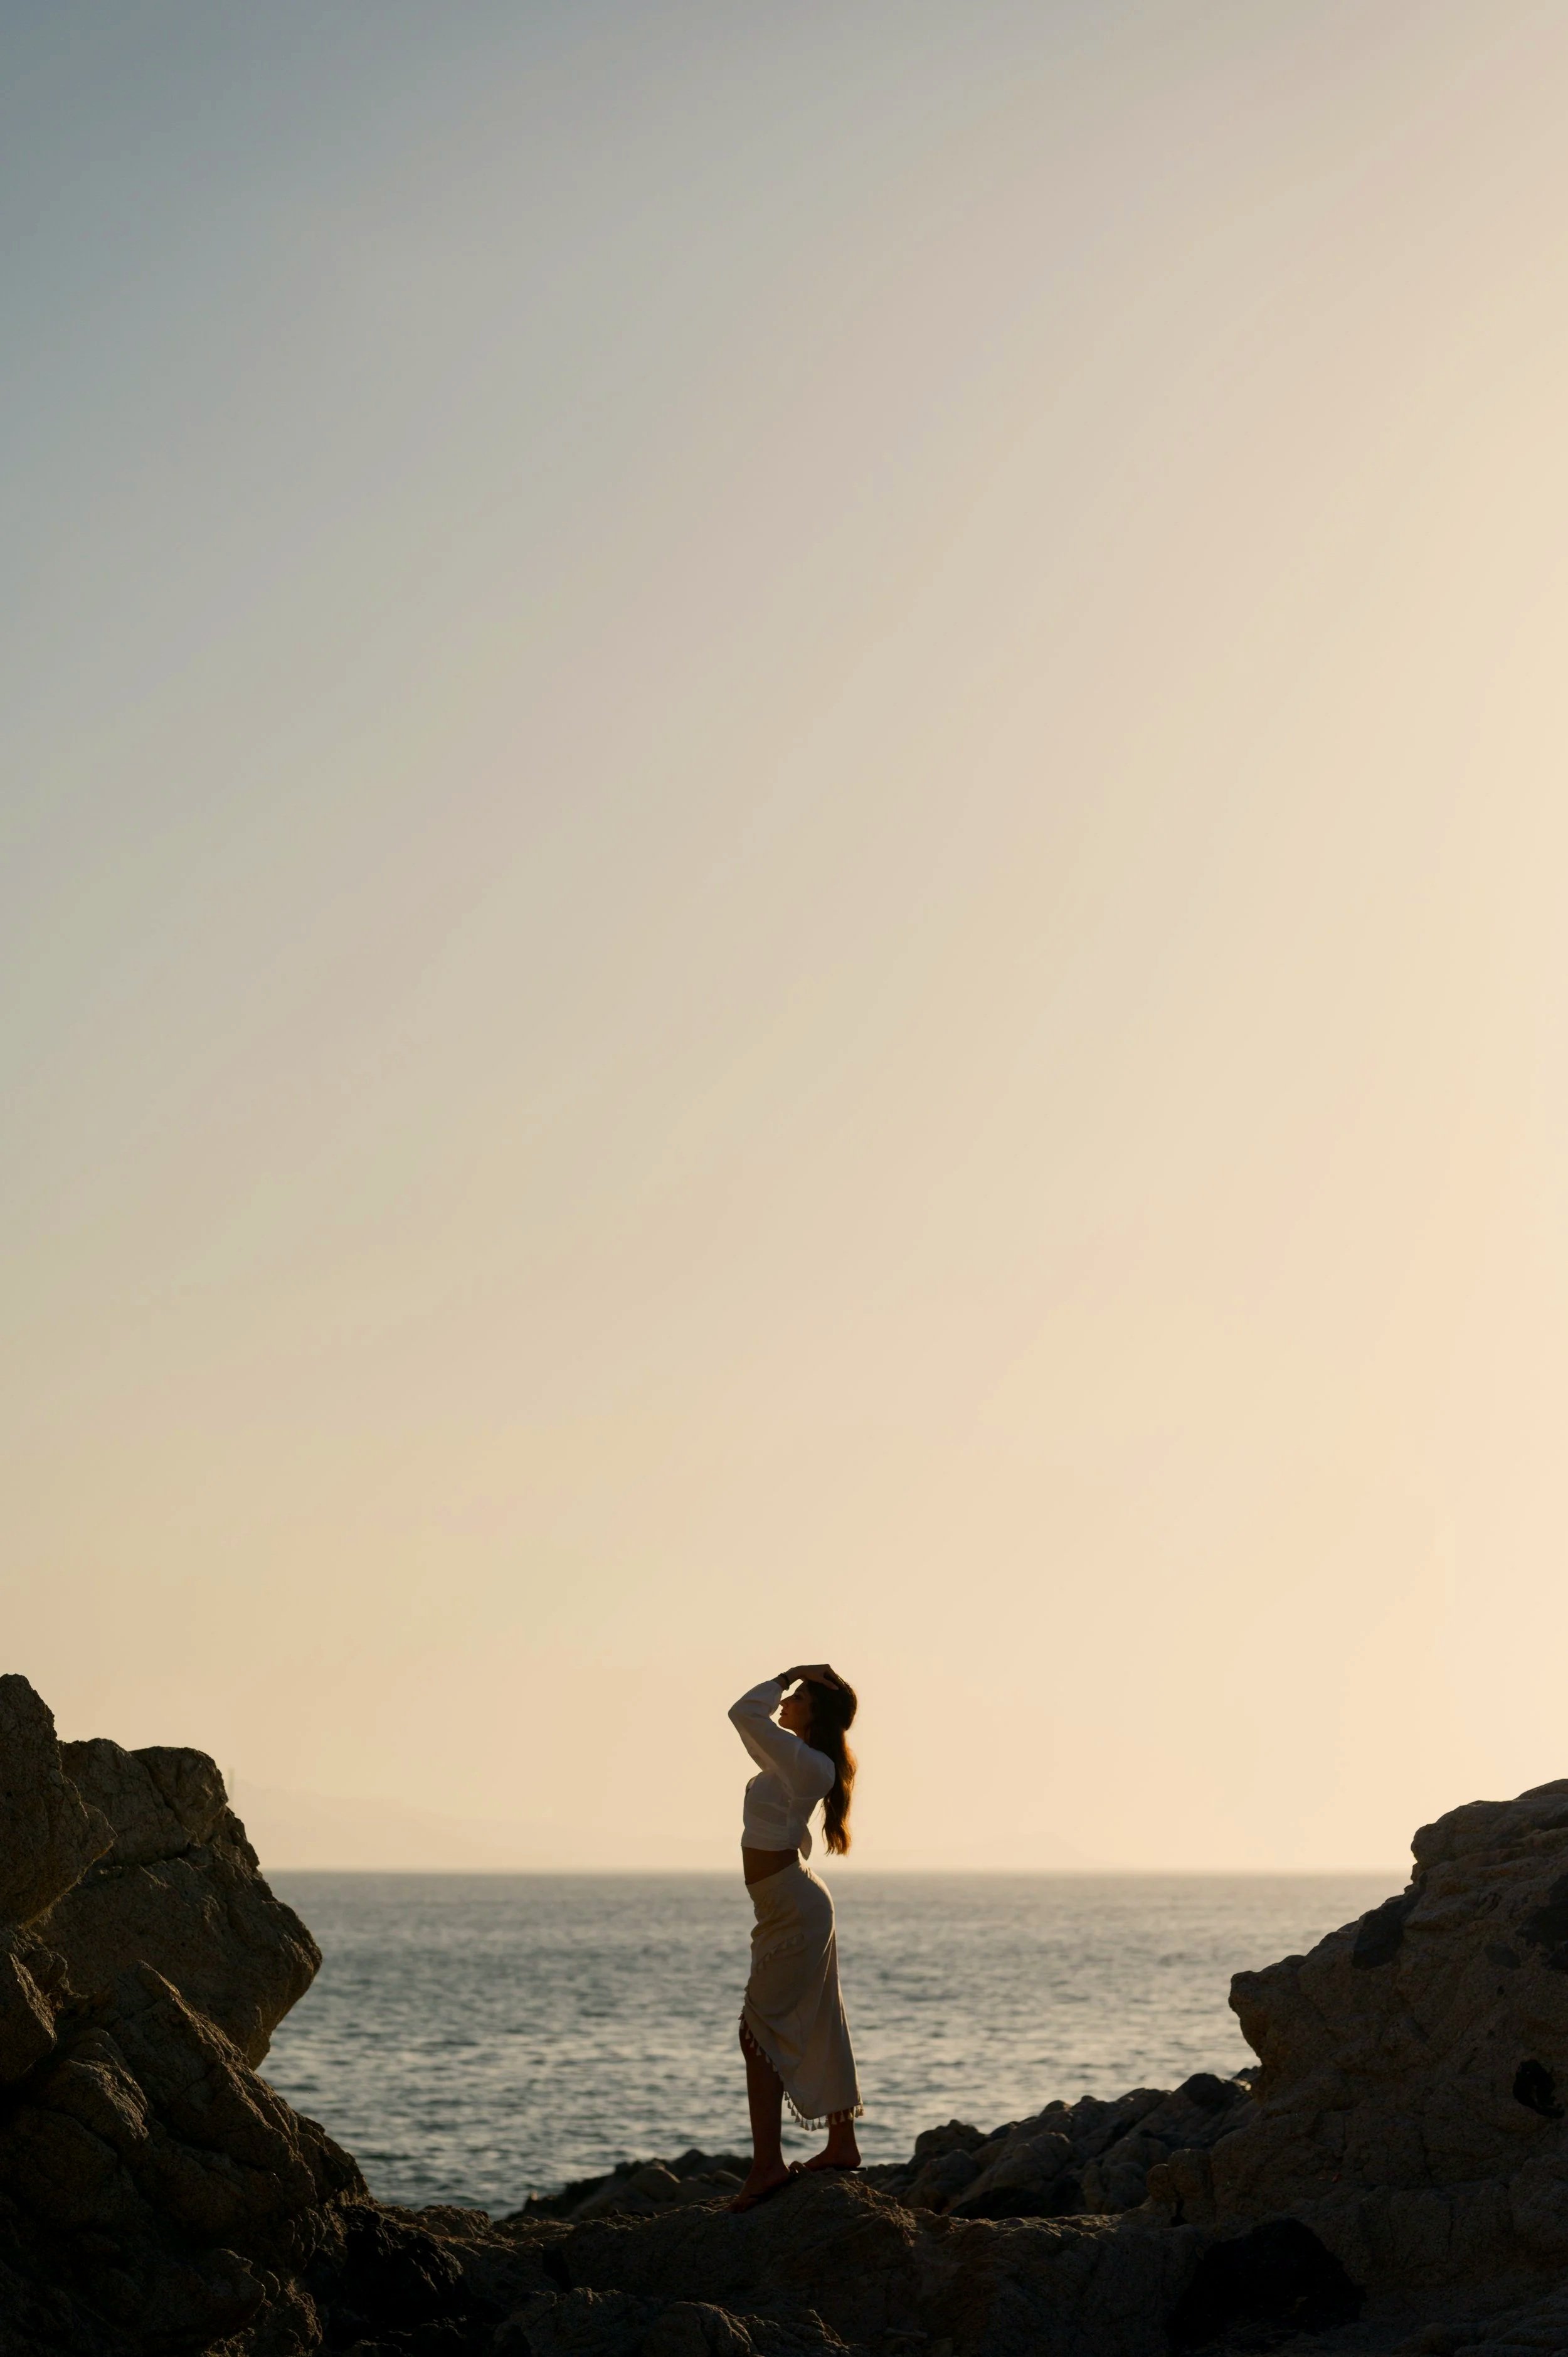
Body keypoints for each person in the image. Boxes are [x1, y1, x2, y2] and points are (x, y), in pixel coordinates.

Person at [726, 1664, 862, 2213]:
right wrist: (792, 1681)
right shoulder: (795, 1759)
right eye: (792, 1692)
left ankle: (767, 2167)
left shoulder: (810, 1765)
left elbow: (743, 1713)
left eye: (799, 1696)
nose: (787, 1699)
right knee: (818, 2017)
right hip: (785, 1905)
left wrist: (786, 1672)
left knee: (756, 2031)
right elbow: (751, 1723)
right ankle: (841, 2144)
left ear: (816, 1712)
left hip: (792, 1908)